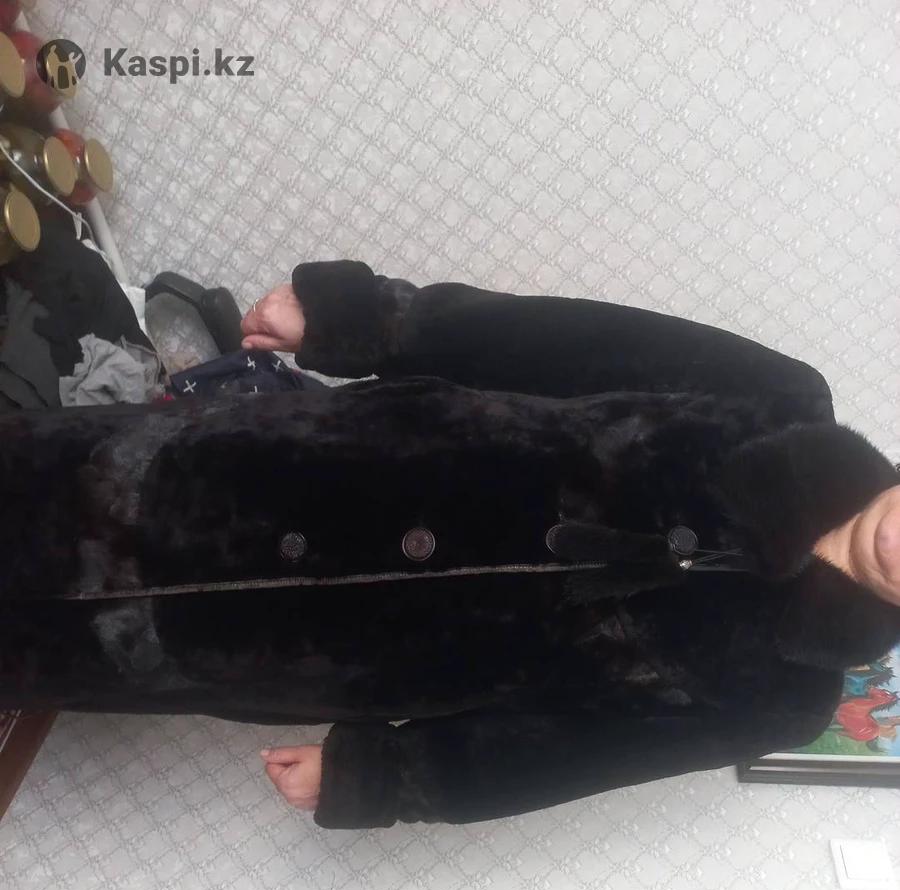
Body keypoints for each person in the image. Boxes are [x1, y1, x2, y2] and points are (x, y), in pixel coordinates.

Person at [1, 260, 898, 828]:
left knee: (42, 654)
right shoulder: (780, 404)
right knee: (38, 484)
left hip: (274, 651)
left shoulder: (783, 696)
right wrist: (359, 321)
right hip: (264, 469)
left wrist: (384, 777)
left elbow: (566, 754)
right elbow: (553, 339)